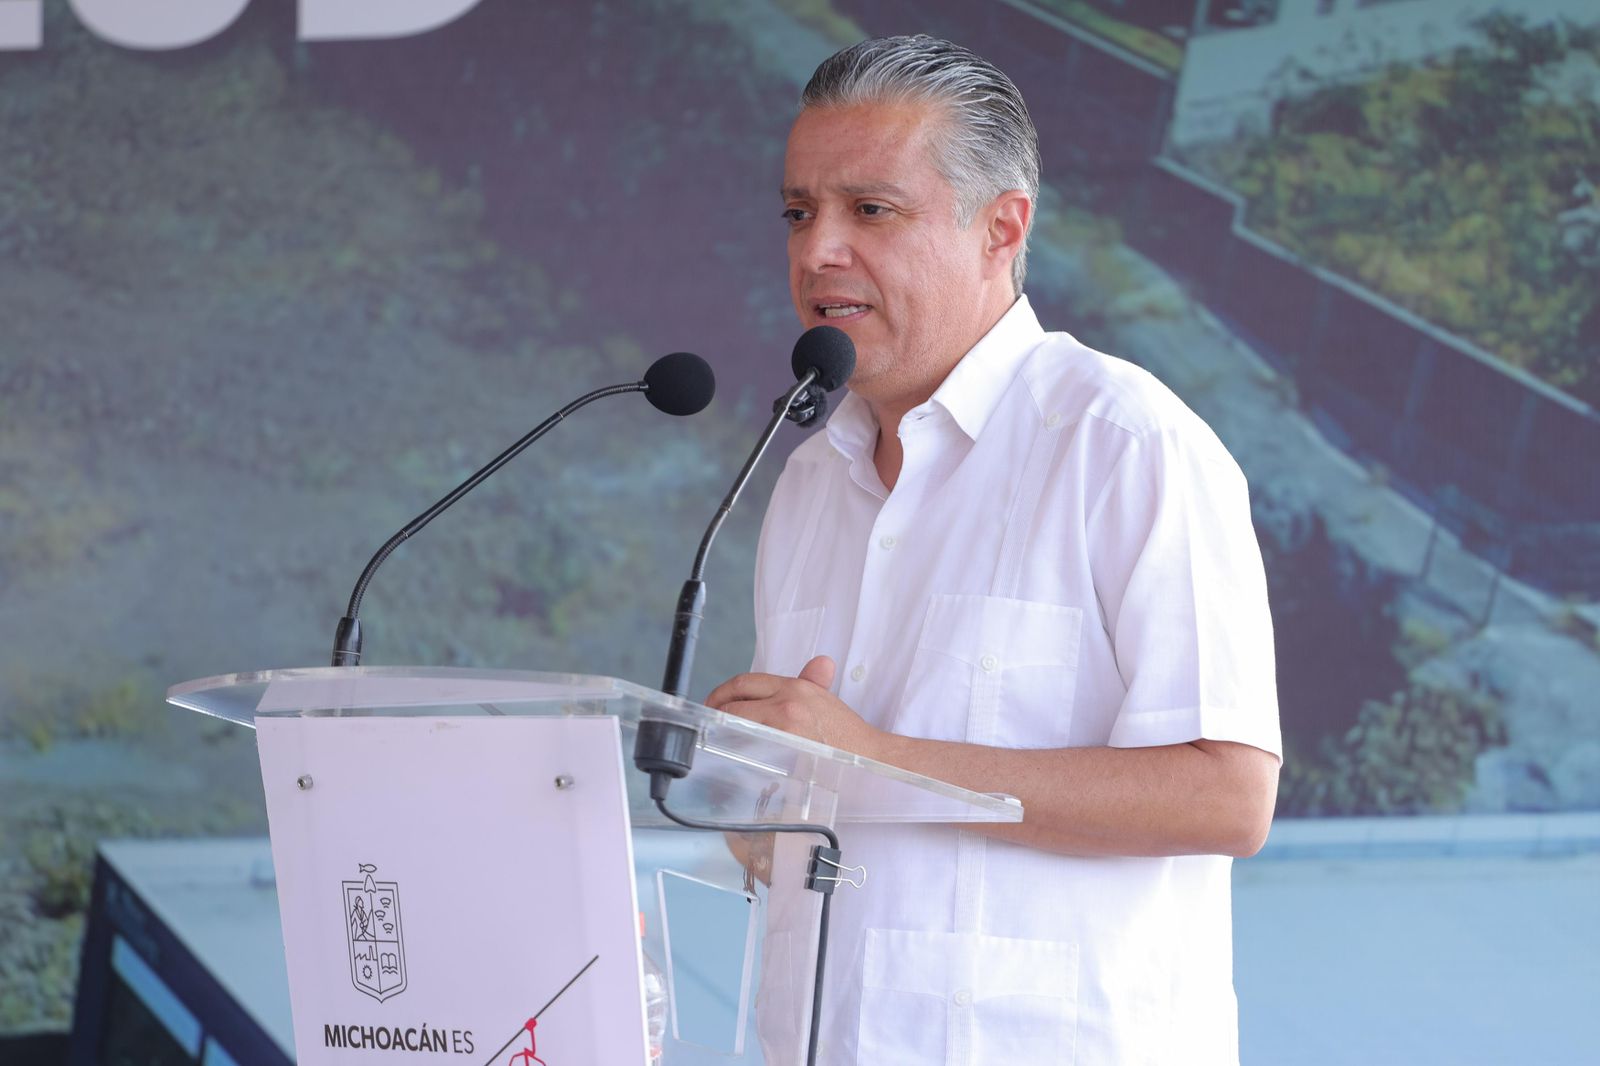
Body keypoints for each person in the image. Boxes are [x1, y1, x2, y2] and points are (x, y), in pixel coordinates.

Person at [705, 35, 1281, 1065]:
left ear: (1000, 228)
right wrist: (767, 807)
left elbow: (1228, 796)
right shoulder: (806, 480)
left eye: (869, 210)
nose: (818, 250)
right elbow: (826, 790)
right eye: (798, 213)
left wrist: (871, 763)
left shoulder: (1123, 444)